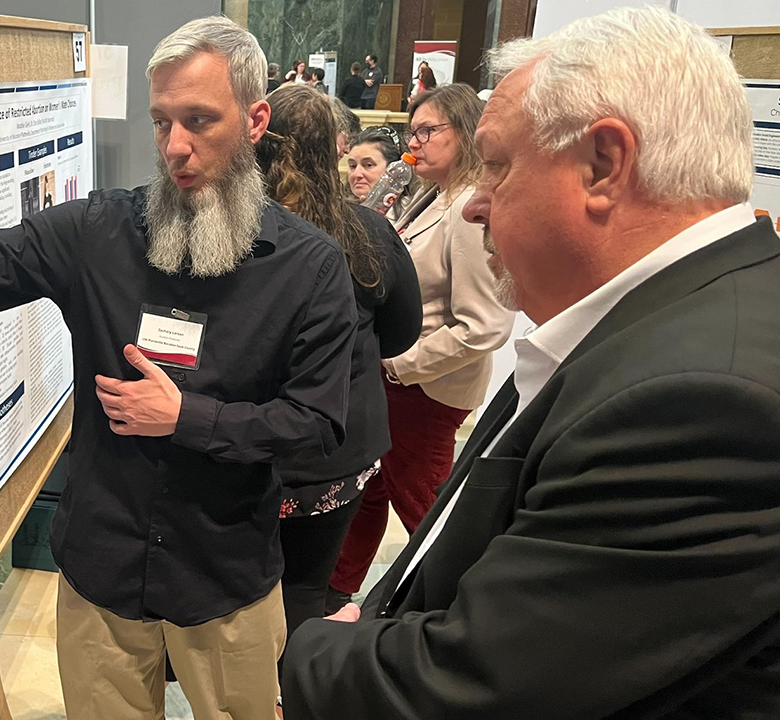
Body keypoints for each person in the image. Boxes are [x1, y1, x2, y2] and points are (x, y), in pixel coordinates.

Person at [0, 16, 359, 720]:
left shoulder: (309, 270)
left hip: (225, 581)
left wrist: (187, 418)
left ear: (255, 119)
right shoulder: (102, 232)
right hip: (103, 573)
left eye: (198, 121)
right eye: (160, 123)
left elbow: (315, 428)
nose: (175, 148)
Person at [283, 7, 780, 718]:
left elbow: (482, 684)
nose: (478, 203)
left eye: (496, 166)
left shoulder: (704, 403)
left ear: (605, 165)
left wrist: (309, 653)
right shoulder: (670, 320)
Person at [327, 82, 514, 607]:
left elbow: (486, 325)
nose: (416, 143)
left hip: (425, 388)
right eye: (413, 132)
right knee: (368, 491)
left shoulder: (469, 213)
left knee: (424, 504)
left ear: (468, 133)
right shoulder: (432, 193)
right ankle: (338, 591)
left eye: (428, 131)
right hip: (400, 380)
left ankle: (453, 606)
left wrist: (401, 365)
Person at [256, 83, 422, 655]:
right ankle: (292, 692)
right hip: (337, 449)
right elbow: (401, 333)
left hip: (245, 444)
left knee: (236, 582)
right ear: (336, 154)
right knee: (306, 583)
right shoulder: (368, 233)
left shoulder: (231, 231)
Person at [346, 126, 412, 221]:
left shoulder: (410, 214)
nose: (356, 174)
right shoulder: (336, 210)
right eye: (352, 166)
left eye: (368, 165)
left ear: (394, 169)